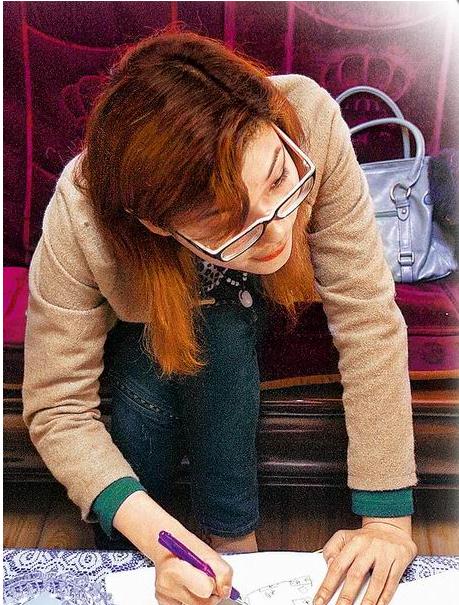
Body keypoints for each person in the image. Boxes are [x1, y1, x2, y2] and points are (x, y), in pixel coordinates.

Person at [22, 27, 418, 605]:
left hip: (251, 313)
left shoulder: (306, 117)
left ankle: (233, 542)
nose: (277, 231)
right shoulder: (82, 212)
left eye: (279, 180)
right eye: (228, 222)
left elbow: (368, 318)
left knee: (223, 334)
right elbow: (57, 405)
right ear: (156, 225)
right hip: (142, 332)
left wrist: (387, 522)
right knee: (149, 393)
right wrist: (162, 544)